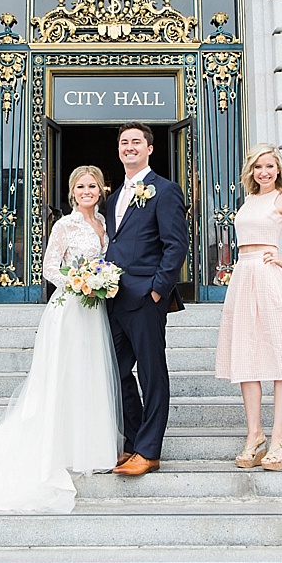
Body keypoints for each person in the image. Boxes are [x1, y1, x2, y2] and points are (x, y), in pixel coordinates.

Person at [0, 165, 121, 510]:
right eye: (80, 186)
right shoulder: (65, 225)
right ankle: (56, 447)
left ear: (101, 189)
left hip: (95, 312)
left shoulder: (105, 225)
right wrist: (79, 282)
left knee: (88, 377)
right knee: (62, 377)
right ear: (72, 191)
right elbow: (48, 267)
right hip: (69, 309)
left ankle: (88, 448)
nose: (87, 191)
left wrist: (101, 282)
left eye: (92, 185)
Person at [214, 144, 282, 471]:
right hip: (243, 276)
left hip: (270, 275)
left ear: (278, 169)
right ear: (252, 170)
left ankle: (279, 436)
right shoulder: (249, 200)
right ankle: (254, 434)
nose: (264, 172)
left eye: (270, 166)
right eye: (259, 167)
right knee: (246, 353)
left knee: (279, 354)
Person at [104, 121, 188, 477]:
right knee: (118, 372)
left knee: (152, 374)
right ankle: (133, 443)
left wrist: (158, 289)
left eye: (136, 141)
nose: (129, 147)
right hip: (112, 297)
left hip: (146, 297)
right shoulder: (112, 198)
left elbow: (176, 244)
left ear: (150, 149)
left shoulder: (165, 190)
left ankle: (150, 451)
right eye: (124, 142)